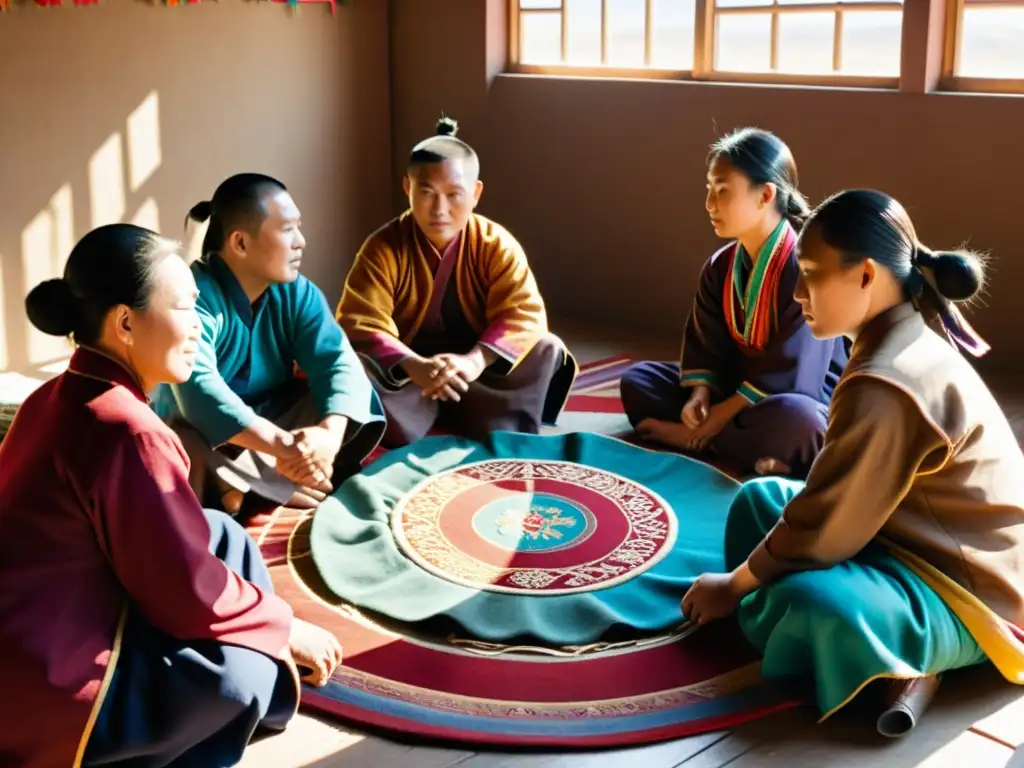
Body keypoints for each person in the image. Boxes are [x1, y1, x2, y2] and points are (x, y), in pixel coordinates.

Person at [0, 224, 343, 767]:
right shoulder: (127, 429)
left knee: (223, 532)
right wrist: (282, 628)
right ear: (126, 323)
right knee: (238, 677)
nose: (197, 328)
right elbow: (185, 593)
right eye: (185, 308)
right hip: (59, 689)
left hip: (26, 644)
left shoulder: (55, 395)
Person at [682, 189, 1024, 734]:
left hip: (968, 590)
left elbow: (823, 528)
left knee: (809, 597)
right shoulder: (897, 331)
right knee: (758, 499)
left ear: (866, 275)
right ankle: (841, 635)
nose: (797, 293)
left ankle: (909, 662)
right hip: (903, 535)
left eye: (811, 274)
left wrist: (734, 585)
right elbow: (832, 501)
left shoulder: (885, 380)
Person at [336, 115, 577, 447]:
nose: (440, 209)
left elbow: (523, 315)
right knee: (349, 360)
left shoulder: (495, 244)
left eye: (454, 194)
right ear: (407, 188)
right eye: (427, 192)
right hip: (409, 382)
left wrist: (475, 360)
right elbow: (360, 324)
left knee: (544, 346)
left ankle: (485, 413)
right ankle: (423, 415)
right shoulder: (382, 248)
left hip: (477, 377)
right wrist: (414, 365)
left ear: (476, 193)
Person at [619, 128, 847, 479]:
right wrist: (700, 394)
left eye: (722, 190)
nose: (710, 203)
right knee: (639, 381)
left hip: (802, 396)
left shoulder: (805, 268)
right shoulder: (720, 266)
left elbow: (794, 375)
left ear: (765, 195)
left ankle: (695, 440)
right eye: (709, 189)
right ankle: (756, 455)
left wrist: (709, 423)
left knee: (796, 421)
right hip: (736, 391)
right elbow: (705, 346)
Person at [156, 173, 386, 513]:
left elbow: (335, 359)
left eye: (299, 227)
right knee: (180, 444)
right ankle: (253, 485)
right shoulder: (195, 298)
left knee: (357, 378)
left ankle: (253, 482)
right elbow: (198, 390)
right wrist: (288, 447)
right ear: (240, 243)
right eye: (287, 229)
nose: (301, 241)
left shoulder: (295, 290)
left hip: (273, 418)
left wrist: (327, 436)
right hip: (209, 430)